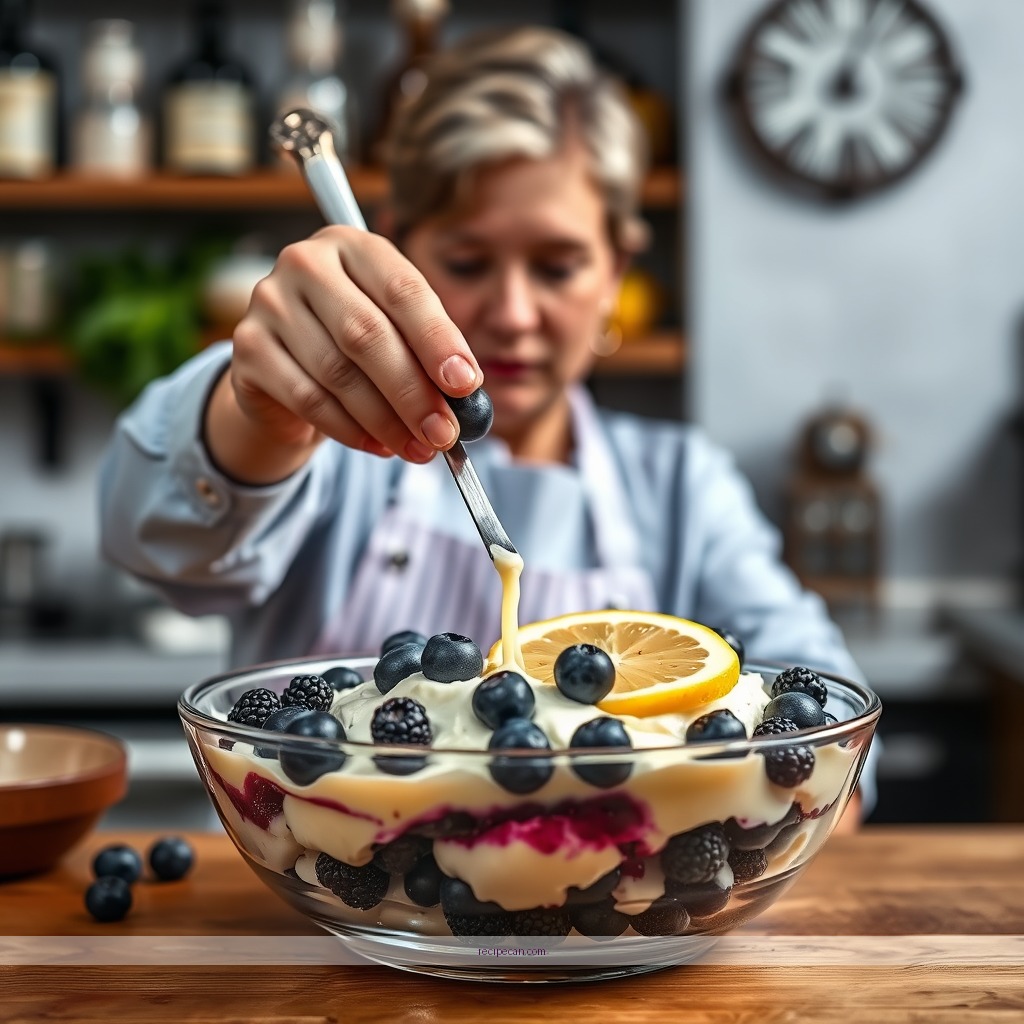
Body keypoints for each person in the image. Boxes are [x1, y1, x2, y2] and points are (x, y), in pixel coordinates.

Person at [98, 27, 874, 826]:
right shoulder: (334, 451)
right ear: (397, 249)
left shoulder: (680, 486)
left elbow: (826, 735)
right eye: (467, 263)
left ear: (618, 267)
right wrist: (256, 415)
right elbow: (156, 546)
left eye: (558, 265)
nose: (511, 314)